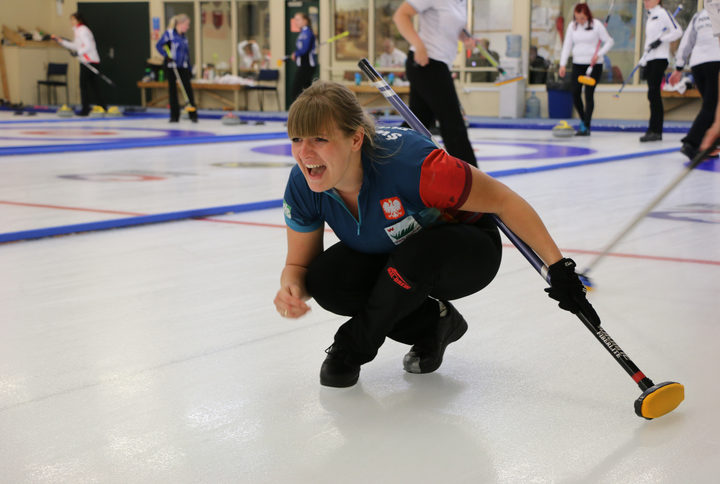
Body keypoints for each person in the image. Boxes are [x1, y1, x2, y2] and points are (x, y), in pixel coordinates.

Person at [273, 81, 599, 388]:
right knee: (327, 281)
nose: (305, 153)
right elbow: (300, 267)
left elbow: (503, 200)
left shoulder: (414, 166)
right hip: (395, 254)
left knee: (416, 256)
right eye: (296, 139)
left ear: (356, 139)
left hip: (464, 249)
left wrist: (558, 269)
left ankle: (352, 346)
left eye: (319, 139)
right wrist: (292, 289)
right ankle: (436, 323)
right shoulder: (304, 183)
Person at [393, 1, 478, 167]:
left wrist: (465, 38)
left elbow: (451, 28)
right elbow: (400, 16)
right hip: (427, 63)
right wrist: (419, 46)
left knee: (417, 124)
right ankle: (473, 177)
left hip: (439, 64)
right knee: (453, 124)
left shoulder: (461, 2)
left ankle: (382, 157)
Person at [668, 8, 720, 160]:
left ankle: (708, 145)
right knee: (712, 106)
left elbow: (686, 41)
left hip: (697, 64)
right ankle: (691, 143)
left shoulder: (699, 15)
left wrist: (678, 67)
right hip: (715, 62)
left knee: (709, 105)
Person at [558, 3, 614, 136]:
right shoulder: (572, 26)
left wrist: (598, 55)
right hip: (578, 64)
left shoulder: (596, 25)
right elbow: (567, 46)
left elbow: (610, 41)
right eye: (577, 18)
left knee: (589, 94)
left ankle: (586, 126)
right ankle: (583, 120)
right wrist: (562, 64)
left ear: (587, 15)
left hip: (594, 65)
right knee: (575, 92)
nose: (579, 21)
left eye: (582, 18)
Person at [639, 0, 682, 142]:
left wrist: (662, 39)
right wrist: (643, 59)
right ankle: (652, 129)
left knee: (653, 93)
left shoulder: (663, 13)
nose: (646, 2)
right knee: (651, 94)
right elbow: (649, 41)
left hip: (660, 58)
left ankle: (656, 131)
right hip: (650, 59)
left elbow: (678, 31)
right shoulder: (650, 16)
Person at [51, 12, 106, 116]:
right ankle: (102, 106)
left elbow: (88, 46)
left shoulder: (82, 30)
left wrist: (78, 52)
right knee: (93, 86)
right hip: (88, 61)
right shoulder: (78, 31)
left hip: (89, 61)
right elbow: (76, 45)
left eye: (73, 19)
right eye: (70, 19)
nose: (71, 22)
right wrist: (61, 41)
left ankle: (86, 109)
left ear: (79, 20)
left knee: (84, 85)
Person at [156, 14, 197, 123]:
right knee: (172, 91)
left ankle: (193, 115)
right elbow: (159, 45)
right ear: (180, 24)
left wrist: (189, 68)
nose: (188, 27)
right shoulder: (169, 34)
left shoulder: (184, 37)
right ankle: (174, 116)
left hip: (182, 66)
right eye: (187, 25)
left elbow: (186, 54)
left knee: (188, 89)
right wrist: (167, 55)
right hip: (171, 66)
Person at [290, 12, 317, 104]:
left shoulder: (307, 33)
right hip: (303, 64)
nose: (296, 22)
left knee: (296, 90)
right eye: (295, 20)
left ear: (305, 21)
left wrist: (296, 54)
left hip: (307, 65)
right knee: (307, 90)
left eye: (298, 19)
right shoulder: (303, 32)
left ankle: (297, 113)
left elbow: (305, 49)